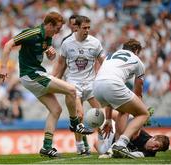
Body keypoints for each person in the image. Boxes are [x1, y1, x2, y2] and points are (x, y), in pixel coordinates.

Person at [0, 11, 93, 158]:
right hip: (31, 75)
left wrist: (50, 54)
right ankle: (75, 124)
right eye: (57, 29)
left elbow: (45, 51)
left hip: (35, 74)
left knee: (56, 110)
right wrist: (3, 67)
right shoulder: (32, 33)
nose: (58, 32)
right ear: (49, 25)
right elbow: (8, 44)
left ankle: (46, 147)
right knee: (72, 90)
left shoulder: (48, 37)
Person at [53, 15, 106, 155]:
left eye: (89, 27)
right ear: (77, 27)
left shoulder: (95, 43)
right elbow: (60, 64)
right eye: (84, 28)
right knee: (79, 116)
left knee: (101, 114)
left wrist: (101, 76)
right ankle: (80, 146)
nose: (87, 30)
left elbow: (103, 62)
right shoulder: (67, 43)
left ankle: (103, 141)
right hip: (74, 83)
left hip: (91, 84)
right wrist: (53, 80)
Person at [93, 39, 150, 157]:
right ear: (136, 50)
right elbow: (138, 92)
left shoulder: (111, 56)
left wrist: (108, 119)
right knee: (144, 114)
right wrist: (137, 122)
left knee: (123, 110)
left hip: (97, 86)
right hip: (112, 84)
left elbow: (109, 97)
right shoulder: (137, 60)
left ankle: (113, 150)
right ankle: (122, 143)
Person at [94, 112, 170, 158]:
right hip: (111, 135)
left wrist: (113, 154)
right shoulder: (140, 134)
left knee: (100, 149)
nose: (154, 149)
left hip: (109, 145)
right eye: (156, 146)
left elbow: (131, 155)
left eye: (158, 149)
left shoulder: (150, 153)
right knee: (97, 118)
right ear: (154, 138)